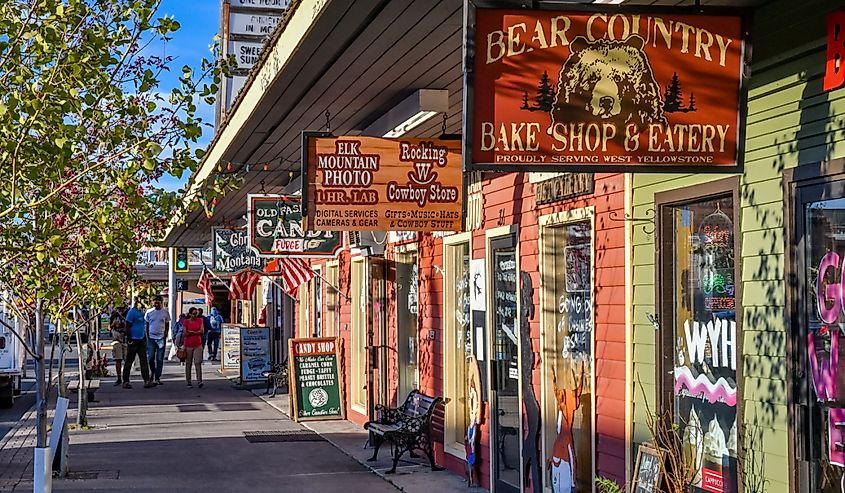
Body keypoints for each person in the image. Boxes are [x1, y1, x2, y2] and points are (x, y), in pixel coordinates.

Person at [123, 301, 153, 389]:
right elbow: (127, 325)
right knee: (129, 360)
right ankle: (126, 381)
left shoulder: (142, 311)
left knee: (143, 360)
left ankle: (146, 380)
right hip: (133, 339)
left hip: (141, 338)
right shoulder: (132, 312)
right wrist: (129, 338)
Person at [145, 296, 171, 385]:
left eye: (158, 303)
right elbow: (147, 324)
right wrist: (147, 335)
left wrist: (165, 335)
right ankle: (152, 371)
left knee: (159, 359)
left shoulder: (165, 312)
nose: (156, 304)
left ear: (161, 302)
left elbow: (167, 324)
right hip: (151, 338)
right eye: (154, 302)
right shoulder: (149, 312)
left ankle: (157, 377)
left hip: (161, 338)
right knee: (150, 358)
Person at [181, 307, 204, 388]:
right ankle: (188, 381)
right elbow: (185, 333)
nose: (195, 315)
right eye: (194, 314)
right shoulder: (185, 322)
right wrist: (195, 332)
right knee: (188, 363)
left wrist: (192, 332)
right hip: (188, 345)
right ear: (190, 314)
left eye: (196, 313)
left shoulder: (200, 320)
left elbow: (202, 331)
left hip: (198, 344)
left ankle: (199, 381)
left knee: (198, 362)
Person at [109, 306, 127, 386]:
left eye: (122, 309)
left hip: (125, 339)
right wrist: (113, 324)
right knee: (118, 359)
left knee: (127, 360)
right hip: (116, 339)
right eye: (119, 309)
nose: (121, 311)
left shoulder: (127, 314)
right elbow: (109, 327)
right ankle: (119, 377)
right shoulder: (114, 315)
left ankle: (126, 378)